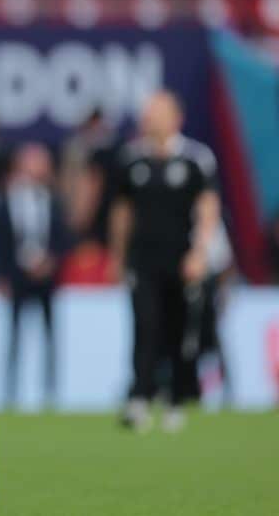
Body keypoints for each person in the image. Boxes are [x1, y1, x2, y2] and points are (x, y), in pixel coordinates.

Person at [110, 90, 221, 433]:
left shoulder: (195, 159)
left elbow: (207, 208)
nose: (149, 118)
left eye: (157, 112)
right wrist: (118, 256)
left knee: (178, 330)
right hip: (143, 260)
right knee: (144, 326)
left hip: (181, 260)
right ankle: (140, 398)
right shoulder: (132, 159)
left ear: (175, 117)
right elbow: (122, 211)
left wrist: (200, 252)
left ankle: (175, 399)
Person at [0, 143, 70, 409]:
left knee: (50, 334)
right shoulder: (5, 201)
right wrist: (3, 275)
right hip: (17, 277)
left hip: (46, 278)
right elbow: (0, 241)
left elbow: (62, 237)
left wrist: (51, 262)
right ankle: (10, 391)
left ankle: (50, 392)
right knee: (14, 335)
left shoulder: (54, 199)